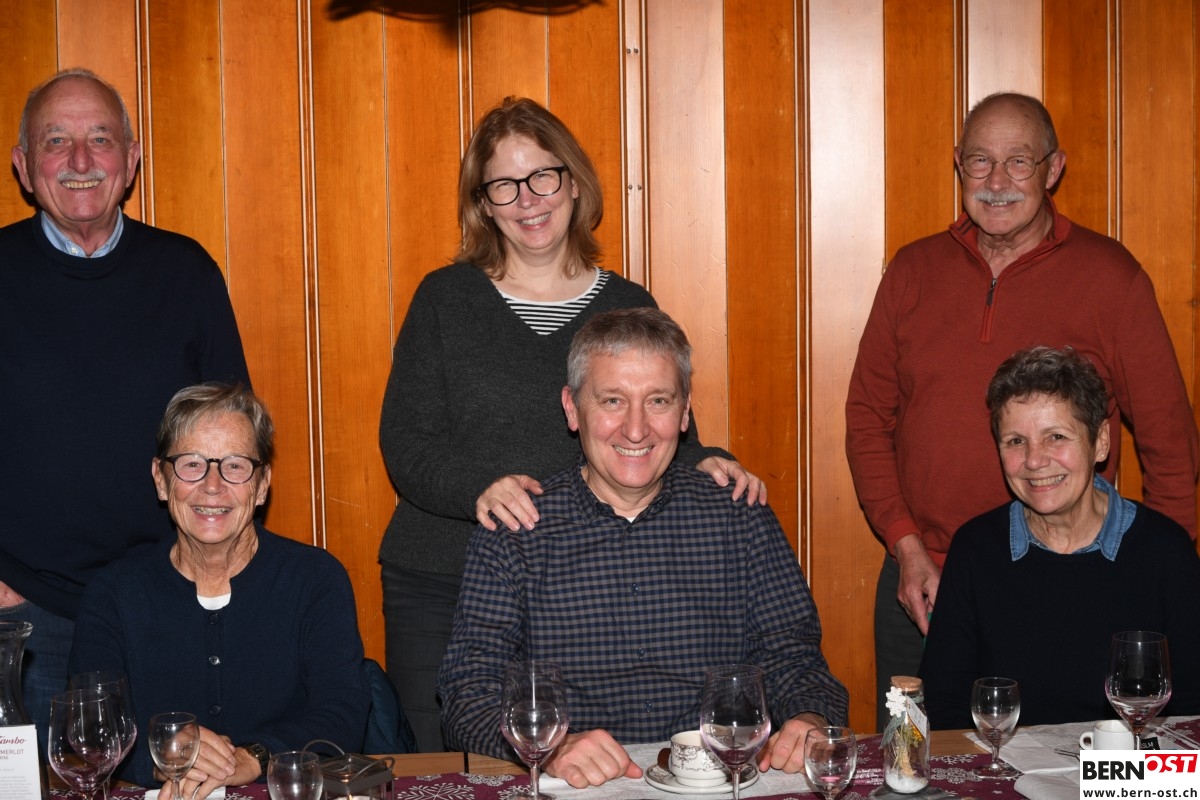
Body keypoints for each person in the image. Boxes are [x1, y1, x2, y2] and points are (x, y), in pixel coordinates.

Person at [379, 97, 766, 751]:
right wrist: (481, 489)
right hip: (442, 577)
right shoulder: (445, 299)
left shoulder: (627, 302)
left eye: (542, 176)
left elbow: (657, 420)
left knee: (573, 761)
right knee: (451, 767)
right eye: (504, 184)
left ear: (574, 182)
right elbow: (405, 442)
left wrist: (707, 459)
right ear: (484, 203)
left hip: (574, 587)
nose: (528, 199)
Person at [844, 91, 1199, 730]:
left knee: (1100, 763)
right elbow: (868, 417)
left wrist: (1156, 576)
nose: (997, 181)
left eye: (1019, 161)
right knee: (917, 761)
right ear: (958, 165)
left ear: (1053, 168)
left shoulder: (1111, 277)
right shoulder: (913, 270)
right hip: (921, 576)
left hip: (1074, 577)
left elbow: (1169, 441)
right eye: (980, 161)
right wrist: (905, 544)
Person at [439, 308, 848, 786]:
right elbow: (468, 692)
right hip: (578, 788)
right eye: (612, 400)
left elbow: (793, 657)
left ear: (685, 411)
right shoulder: (515, 532)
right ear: (572, 408)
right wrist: (554, 748)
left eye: (658, 401)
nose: (636, 429)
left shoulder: (740, 518)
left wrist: (808, 717)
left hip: (717, 787)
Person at [0, 68, 249, 738]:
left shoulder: (186, 272)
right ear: (24, 166)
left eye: (101, 139)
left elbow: (234, 439)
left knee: (173, 779)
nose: (80, 162)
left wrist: (211, 570)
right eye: (56, 140)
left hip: (163, 601)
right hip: (22, 614)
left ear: (131, 160)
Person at [69, 384, 369, 799]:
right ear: (161, 479)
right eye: (191, 464)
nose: (213, 486)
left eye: (235, 465)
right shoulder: (113, 593)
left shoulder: (316, 580)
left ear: (262, 485)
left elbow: (343, 715)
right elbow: (91, 728)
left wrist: (254, 756)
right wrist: (162, 757)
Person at [919, 347, 1200, 727]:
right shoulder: (976, 550)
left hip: (1132, 763)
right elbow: (943, 706)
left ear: (1100, 442)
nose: (1034, 460)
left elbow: (1192, 712)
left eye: (1056, 436)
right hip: (1002, 762)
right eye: (1015, 441)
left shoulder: (1165, 551)